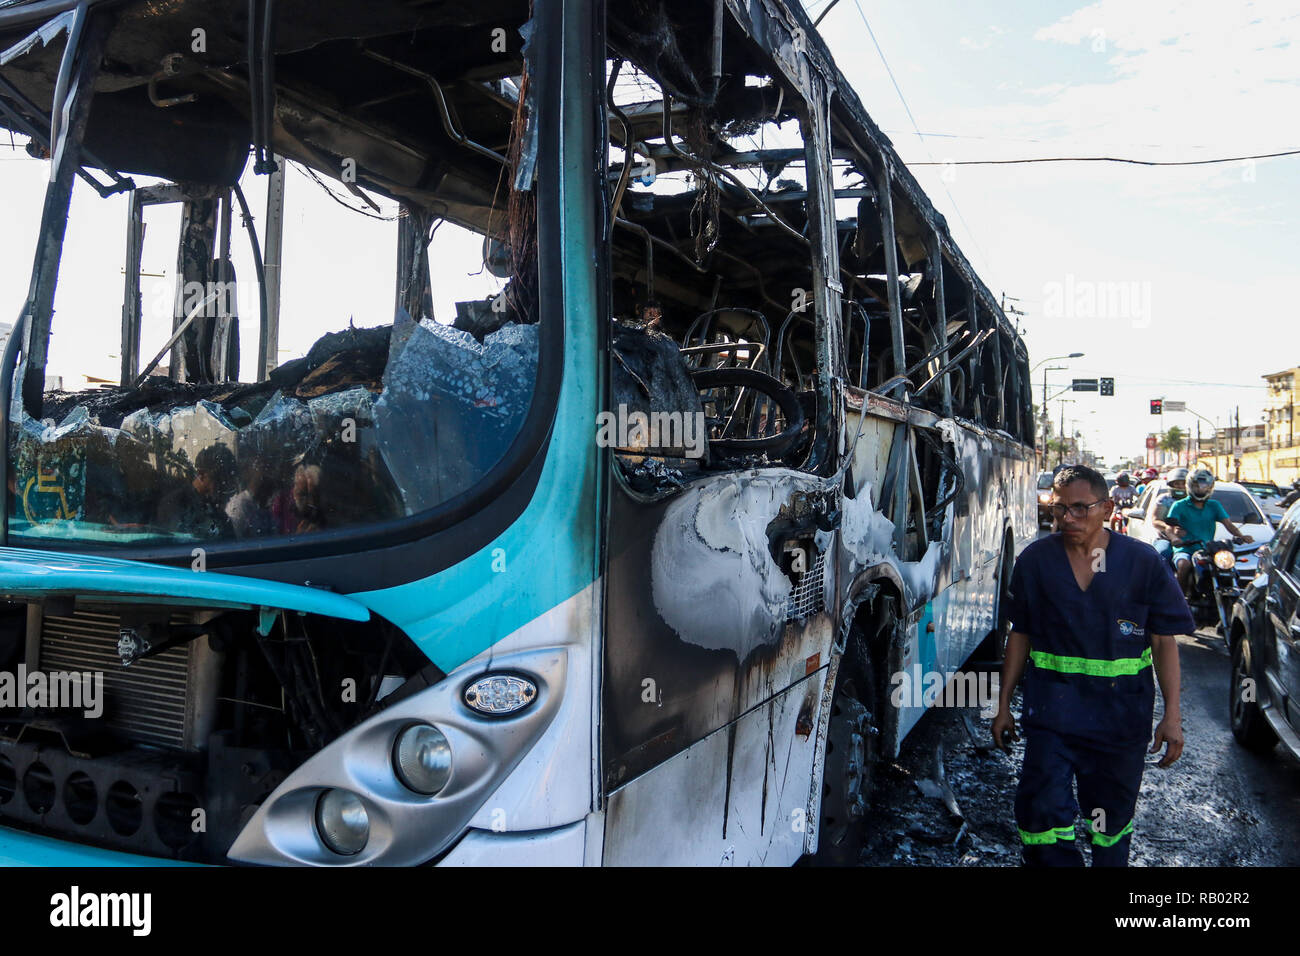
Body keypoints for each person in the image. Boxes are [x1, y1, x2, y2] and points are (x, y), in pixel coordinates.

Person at [992, 464, 1194, 867]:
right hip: (1052, 717)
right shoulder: (1036, 561)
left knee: (1110, 823)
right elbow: (1020, 635)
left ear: (1106, 507)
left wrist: (1172, 715)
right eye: (1059, 508)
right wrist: (1003, 706)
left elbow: (1162, 642)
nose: (1068, 518)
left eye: (1081, 508)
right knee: (1041, 813)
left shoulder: (1142, 562)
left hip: (1120, 722)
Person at [1166, 468, 1253, 594]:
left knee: (1228, 567)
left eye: (1204, 486)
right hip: (1186, 548)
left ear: (1210, 487)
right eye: (1197, 486)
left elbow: (1229, 524)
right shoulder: (1179, 505)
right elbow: (1169, 527)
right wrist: (1175, 538)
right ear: (1190, 486)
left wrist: (1242, 536)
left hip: (1208, 550)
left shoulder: (1214, 505)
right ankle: (1179, 598)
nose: (1201, 489)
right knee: (1184, 565)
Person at [1148, 466, 1189, 568]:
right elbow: (1155, 520)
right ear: (1171, 484)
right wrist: (1170, 529)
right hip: (1165, 539)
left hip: (1190, 539)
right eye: (1177, 483)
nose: (1180, 486)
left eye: (1183, 483)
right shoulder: (1164, 499)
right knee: (1162, 555)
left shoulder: (1193, 500)